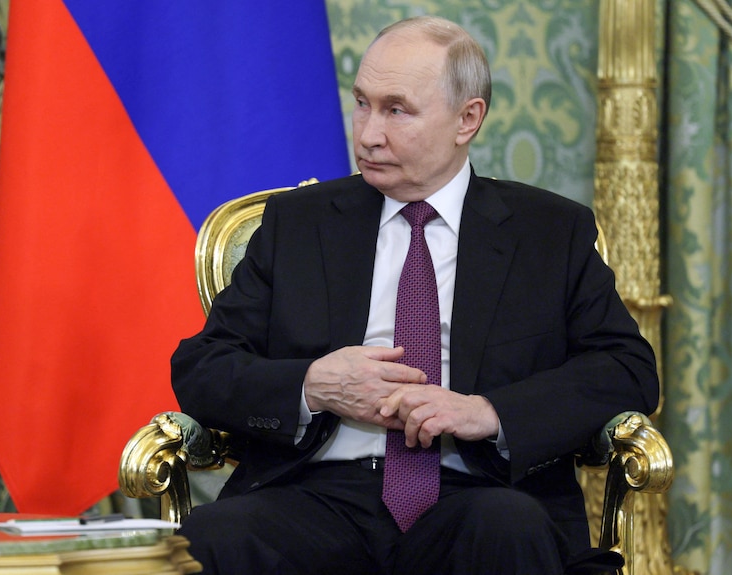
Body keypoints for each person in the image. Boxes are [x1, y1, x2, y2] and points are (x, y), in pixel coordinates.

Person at [171, 15, 659, 575]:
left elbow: (628, 368)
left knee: (509, 527)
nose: (368, 133)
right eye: (362, 103)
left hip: (478, 494)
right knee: (210, 538)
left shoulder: (548, 232)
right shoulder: (298, 225)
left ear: (466, 119)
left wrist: (489, 413)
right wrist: (313, 385)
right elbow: (202, 368)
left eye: (396, 110)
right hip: (314, 495)